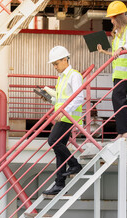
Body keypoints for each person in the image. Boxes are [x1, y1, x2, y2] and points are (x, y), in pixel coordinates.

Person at [42, 46, 84, 195]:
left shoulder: (74, 75)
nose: (54, 67)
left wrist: (65, 110)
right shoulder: (61, 78)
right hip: (63, 115)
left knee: (53, 141)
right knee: (59, 151)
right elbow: (61, 99)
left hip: (68, 117)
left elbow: (79, 97)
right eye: (53, 64)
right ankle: (59, 184)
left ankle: (75, 165)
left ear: (65, 60)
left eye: (56, 63)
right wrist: (49, 96)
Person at [97, 0, 127, 139]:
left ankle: (126, 130)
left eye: (112, 17)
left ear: (118, 16)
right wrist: (104, 51)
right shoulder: (118, 32)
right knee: (117, 98)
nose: (111, 20)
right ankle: (122, 131)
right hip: (119, 71)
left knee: (118, 97)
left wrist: (121, 48)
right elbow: (117, 52)